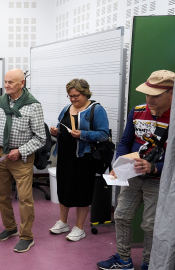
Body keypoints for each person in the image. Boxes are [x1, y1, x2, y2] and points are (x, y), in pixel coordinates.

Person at [97, 70, 174, 270]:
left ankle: (150, 263)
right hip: (131, 176)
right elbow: (125, 142)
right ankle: (123, 260)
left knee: (151, 225)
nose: (149, 99)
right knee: (121, 216)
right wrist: (119, 164)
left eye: (155, 95)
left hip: (159, 182)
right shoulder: (137, 111)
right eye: (147, 93)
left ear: (171, 93)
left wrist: (155, 168)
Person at [0, 69, 45, 253]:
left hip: (22, 158)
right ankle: (10, 227)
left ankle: (26, 236)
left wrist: (20, 151)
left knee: (25, 198)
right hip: (2, 155)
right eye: (5, 82)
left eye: (11, 82)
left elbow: (40, 137)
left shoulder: (33, 105)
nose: (7, 85)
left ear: (22, 84)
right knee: (0, 194)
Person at [49, 79, 109, 241]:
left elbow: (104, 134)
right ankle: (63, 222)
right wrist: (56, 132)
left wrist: (82, 134)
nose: (73, 99)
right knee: (64, 188)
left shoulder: (96, 110)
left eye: (76, 96)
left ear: (85, 93)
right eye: (70, 96)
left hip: (84, 158)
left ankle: (80, 227)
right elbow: (61, 125)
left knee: (82, 191)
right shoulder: (66, 108)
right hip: (65, 156)